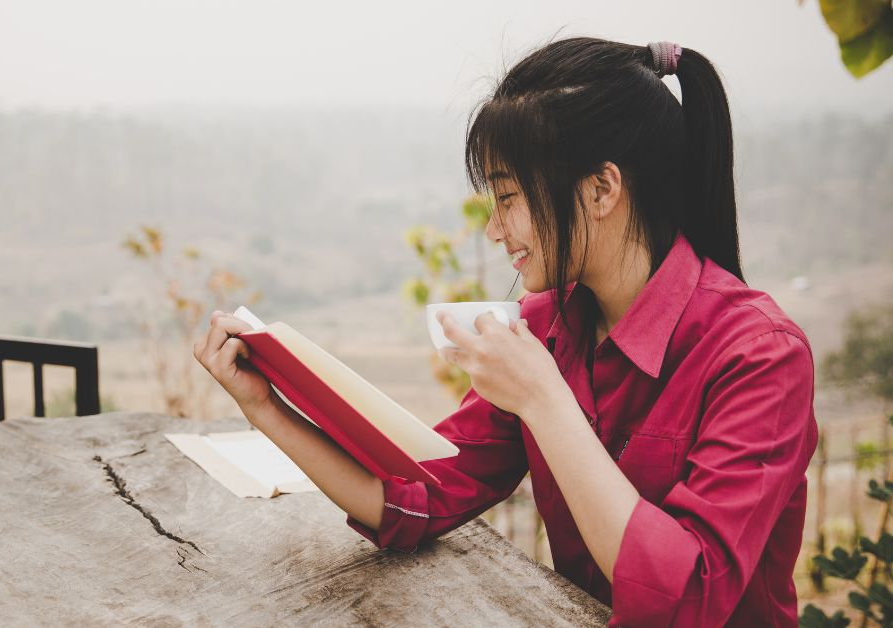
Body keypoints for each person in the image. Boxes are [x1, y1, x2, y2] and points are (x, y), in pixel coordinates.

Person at [193, 36, 817, 627]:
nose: (495, 229)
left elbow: (687, 603)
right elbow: (418, 499)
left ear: (602, 188)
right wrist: (265, 406)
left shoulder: (759, 356)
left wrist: (545, 401)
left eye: (510, 196)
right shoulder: (545, 329)